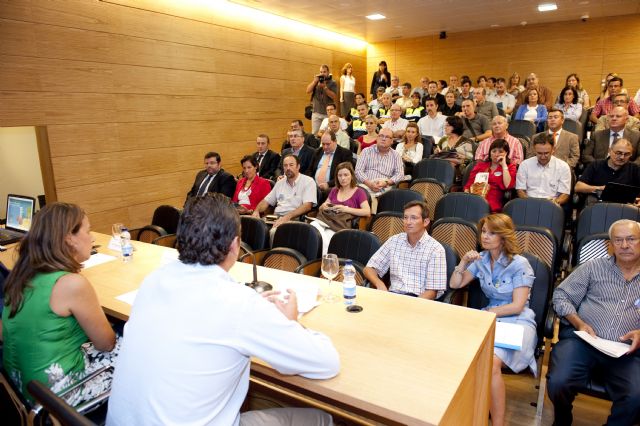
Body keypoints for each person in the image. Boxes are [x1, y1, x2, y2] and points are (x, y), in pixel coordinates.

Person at [107, 194, 339, 425]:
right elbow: (327, 363)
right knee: (321, 418)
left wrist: (255, 308)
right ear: (236, 245)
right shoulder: (239, 304)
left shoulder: (153, 280)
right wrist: (291, 324)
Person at [2, 203, 117, 403]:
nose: (92, 238)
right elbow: (107, 343)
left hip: (20, 391)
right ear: (68, 238)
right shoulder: (71, 284)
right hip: (57, 399)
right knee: (138, 351)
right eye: (88, 231)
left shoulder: (20, 275)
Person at [548, 219, 640, 426]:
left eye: (631, 239)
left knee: (636, 396)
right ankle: (562, 419)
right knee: (558, 381)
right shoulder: (593, 268)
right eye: (618, 240)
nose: (624, 245)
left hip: (628, 351)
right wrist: (578, 322)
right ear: (610, 245)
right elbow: (561, 296)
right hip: (584, 342)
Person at [449, 213, 537, 426]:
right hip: (490, 318)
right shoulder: (481, 259)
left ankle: (498, 422)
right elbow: (455, 284)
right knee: (462, 354)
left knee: (491, 364)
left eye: (492, 233)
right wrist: (463, 262)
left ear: (504, 237)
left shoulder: (519, 264)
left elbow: (517, 305)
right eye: (484, 231)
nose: (485, 236)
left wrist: (487, 314)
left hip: (518, 321)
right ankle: (474, 408)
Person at [364, 201, 446, 299]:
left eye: (413, 218)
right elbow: (369, 269)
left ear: (426, 222)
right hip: (393, 296)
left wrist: (411, 306)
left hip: (419, 300)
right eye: (405, 217)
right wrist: (379, 284)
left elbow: (432, 292)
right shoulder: (394, 241)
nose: (408, 222)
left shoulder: (436, 249)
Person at [311, 162, 370, 255]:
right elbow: (324, 205)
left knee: (325, 238)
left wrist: (346, 209)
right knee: (311, 229)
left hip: (339, 225)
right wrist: (323, 206)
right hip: (325, 220)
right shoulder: (334, 190)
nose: (343, 178)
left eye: (346, 175)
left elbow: (367, 212)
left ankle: (322, 262)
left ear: (352, 176)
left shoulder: (359, 192)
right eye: (340, 175)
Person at [254, 154, 317, 228]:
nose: (288, 168)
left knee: (272, 232)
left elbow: (307, 206)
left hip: (294, 220)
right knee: (256, 227)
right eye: (285, 165)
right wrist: (256, 211)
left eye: (291, 165)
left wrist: (287, 217)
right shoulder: (280, 183)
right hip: (276, 218)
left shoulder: (308, 181)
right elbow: (266, 201)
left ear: (298, 167)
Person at [575, 138, 640, 206]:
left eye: (627, 154)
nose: (622, 157)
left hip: (625, 207)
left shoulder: (634, 169)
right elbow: (578, 187)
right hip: (598, 204)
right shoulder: (596, 165)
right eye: (618, 153)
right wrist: (599, 188)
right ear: (609, 151)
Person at [516, 133, 571, 206]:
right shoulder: (525, 165)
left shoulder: (563, 167)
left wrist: (556, 202)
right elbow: (520, 190)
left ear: (553, 150)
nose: (542, 157)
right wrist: (529, 203)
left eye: (546, 153)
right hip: (529, 203)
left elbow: (565, 193)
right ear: (534, 149)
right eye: (539, 153)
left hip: (552, 205)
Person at [355, 128, 405, 207]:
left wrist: (386, 182)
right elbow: (358, 171)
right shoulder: (366, 151)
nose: (383, 139)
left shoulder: (396, 155)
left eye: (387, 137)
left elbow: (400, 174)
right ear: (377, 138)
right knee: (363, 194)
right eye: (381, 136)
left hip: (384, 186)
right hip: (366, 184)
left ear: (392, 141)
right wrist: (370, 184)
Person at [464, 139, 517, 213]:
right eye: (494, 151)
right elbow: (468, 186)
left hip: (493, 202)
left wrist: (504, 165)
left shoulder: (510, 167)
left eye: (500, 152)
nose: (496, 154)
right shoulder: (480, 166)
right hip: (475, 198)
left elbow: (508, 185)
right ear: (490, 153)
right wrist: (467, 199)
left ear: (506, 153)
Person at [308, 131, 353, 196]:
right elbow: (310, 170)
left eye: (328, 144)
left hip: (333, 187)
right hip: (314, 186)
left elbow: (346, 175)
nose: (325, 147)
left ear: (335, 141)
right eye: (323, 144)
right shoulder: (317, 152)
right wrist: (311, 182)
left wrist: (328, 184)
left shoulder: (345, 154)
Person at [306, 64, 338, 134]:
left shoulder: (333, 82)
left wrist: (325, 87)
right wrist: (314, 82)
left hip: (327, 114)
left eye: (324, 72)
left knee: (328, 133)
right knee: (315, 134)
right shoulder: (316, 81)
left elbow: (334, 96)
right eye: (321, 72)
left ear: (328, 72)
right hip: (316, 112)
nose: (322, 74)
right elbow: (308, 91)